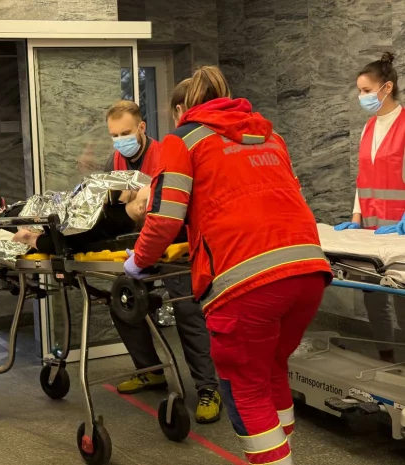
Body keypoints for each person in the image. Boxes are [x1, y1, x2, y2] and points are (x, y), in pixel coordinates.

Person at [124, 65, 332, 465]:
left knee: (243, 385)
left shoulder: (184, 139)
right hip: (307, 268)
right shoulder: (270, 136)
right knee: (271, 367)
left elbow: (165, 218)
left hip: (247, 281)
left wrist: (138, 261)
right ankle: (285, 452)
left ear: (181, 110)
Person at [104, 98, 221, 424]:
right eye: (114, 135)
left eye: (125, 133)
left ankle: (208, 389)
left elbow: (171, 209)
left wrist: (137, 200)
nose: (120, 141)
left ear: (141, 128)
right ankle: (151, 370)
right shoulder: (116, 159)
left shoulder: (166, 155)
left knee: (187, 309)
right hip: (141, 242)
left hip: (176, 241)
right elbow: (115, 203)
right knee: (122, 301)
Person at [334, 52, 405, 363]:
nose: (361, 96)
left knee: (402, 300)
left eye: (366, 90)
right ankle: (385, 356)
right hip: (370, 231)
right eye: (359, 90)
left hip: (399, 233)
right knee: (374, 298)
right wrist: (356, 218)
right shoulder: (368, 128)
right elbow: (363, 179)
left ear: (386, 88)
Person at [0, 186, 150, 254]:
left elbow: (66, 243)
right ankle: (2, 213)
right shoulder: (119, 210)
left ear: (142, 208)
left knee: (11, 221)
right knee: (33, 206)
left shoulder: (112, 222)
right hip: (57, 208)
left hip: (43, 224)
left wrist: (29, 239)